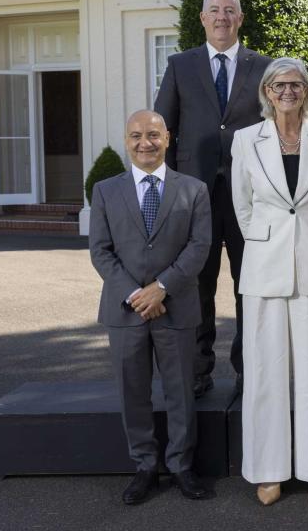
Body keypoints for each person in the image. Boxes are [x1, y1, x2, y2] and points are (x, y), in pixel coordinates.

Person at [230, 57, 308, 506]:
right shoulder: (245, 140)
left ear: (307, 90)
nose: (287, 91)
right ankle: (268, 471)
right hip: (264, 265)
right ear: (267, 92)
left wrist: (302, 238)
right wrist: (271, 239)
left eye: (296, 84)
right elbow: (243, 205)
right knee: (265, 372)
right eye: (279, 85)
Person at [89, 110, 212, 505]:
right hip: (126, 311)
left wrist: (161, 289)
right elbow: (101, 252)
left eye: (153, 135)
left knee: (181, 392)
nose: (146, 143)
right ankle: (144, 466)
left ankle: (180, 466)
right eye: (137, 135)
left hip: (175, 307)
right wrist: (136, 294)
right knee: (133, 392)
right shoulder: (106, 191)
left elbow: (199, 247)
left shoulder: (193, 189)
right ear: (126, 140)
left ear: (168, 138)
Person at [155, 0, 272, 397]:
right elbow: (163, 131)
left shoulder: (265, 68)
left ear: (240, 19)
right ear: (203, 19)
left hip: (250, 198)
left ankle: (248, 369)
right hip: (194, 197)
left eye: (230, 11)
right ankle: (199, 369)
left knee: (249, 286)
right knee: (197, 287)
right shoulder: (179, 65)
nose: (222, 17)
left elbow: (276, 130)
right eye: (214, 11)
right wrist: (167, 193)